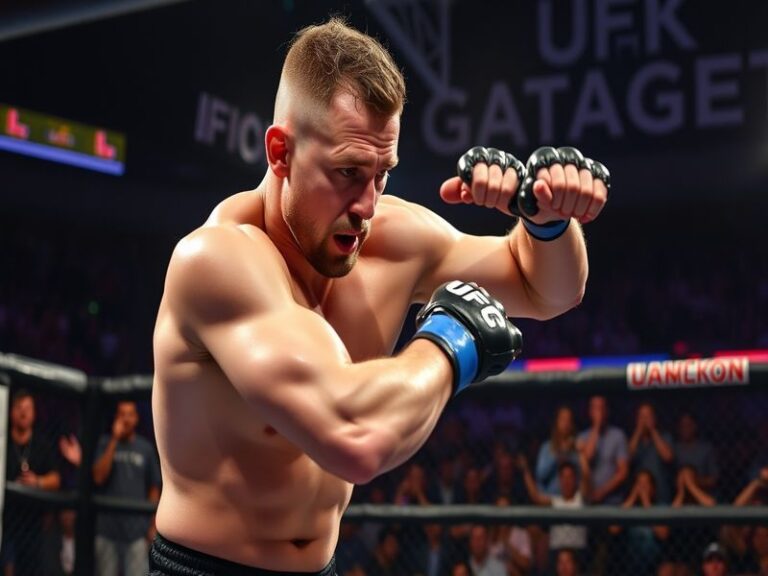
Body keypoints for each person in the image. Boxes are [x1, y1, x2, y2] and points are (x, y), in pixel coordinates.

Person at [150, 16, 608, 575]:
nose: (367, 205)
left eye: (382, 173)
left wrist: (545, 221)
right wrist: (450, 340)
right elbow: (354, 436)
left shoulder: (391, 239)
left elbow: (548, 290)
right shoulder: (217, 261)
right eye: (347, 172)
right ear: (280, 153)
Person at [92, 400, 161, 576]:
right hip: (108, 529)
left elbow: (154, 486)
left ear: (136, 418)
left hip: (136, 531)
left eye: (130, 414)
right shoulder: (105, 443)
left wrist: (152, 523)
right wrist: (114, 439)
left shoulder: (145, 448)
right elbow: (98, 477)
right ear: (116, 418)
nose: (126, 419)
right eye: (122, 414)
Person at [2, 389, 61, 576]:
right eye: (19, 408)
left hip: (34, 523)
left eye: (28, 408)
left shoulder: (41, 444)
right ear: (11, 412)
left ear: (34, 413)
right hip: (6, 519)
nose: (23, 412)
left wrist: (38, 481)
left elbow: (56, 479)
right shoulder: (3, 442)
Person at [628, 402, 674, 503]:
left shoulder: (665, 437)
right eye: (642, 416)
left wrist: (653, 430)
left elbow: (668, 457)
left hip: (661, 496)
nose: (645, 420)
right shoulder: (633, 441)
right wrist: (638, 431)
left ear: (654, 418)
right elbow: (627, 459)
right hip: (638, 498)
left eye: (648, 416)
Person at [536, 405, 580, 496]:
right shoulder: (546, 447)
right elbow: (540, 475)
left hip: (572, 503)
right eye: (563, 419)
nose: (566, 423)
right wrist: (559, 454)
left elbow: (581, 477)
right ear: (556, 422)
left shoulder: (577, 448)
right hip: (549, 501)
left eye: (569, 420)